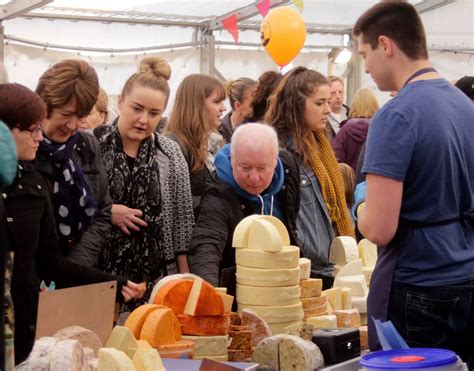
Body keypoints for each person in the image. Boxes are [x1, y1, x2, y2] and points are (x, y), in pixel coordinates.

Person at [352, 2, 474, 365]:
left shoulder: (396, 114)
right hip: (466, 276)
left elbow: (379, 229)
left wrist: (361, 208)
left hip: (418, 286)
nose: (366, 67)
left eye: (365, 54)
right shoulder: (466, 107)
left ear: (386, 45)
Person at [0, 83, 144, 365]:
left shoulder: (34, 184)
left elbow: (51, 263)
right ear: (5, 130)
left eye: (40, 128)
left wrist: (111, 281)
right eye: (31, 130)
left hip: (23, 327)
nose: (39, 138)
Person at [94, 57, 194, 311]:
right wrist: (108, 212)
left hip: (156, 279)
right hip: (98, 276)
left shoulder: (170, 152)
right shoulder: (92, 145)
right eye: (136, 109)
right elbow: (73, 208)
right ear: (120, 102)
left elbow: (182, 222)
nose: (143, 120)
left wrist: (185, 282)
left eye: (154, 113)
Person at [265, 66, 355, 290]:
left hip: (330, 264)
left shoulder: (318, 144)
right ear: (296, 105)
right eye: (319, 103)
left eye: (327, 102)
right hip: (305, 269)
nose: (327, 109)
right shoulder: (279, 150)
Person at [187, 123, 300, 295]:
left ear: (275, 161)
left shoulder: (289, 169)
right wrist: (211, 296)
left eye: (262, 168)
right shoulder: (219, 192)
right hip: (239, 291)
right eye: (245, 168)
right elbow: (206, 244)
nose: (254, 178)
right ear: (232, 160)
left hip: (282, 286)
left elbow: (293, 222)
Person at [34, 59, 112, 268]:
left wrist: (73, 268)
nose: (73, 125)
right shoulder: (24, 149)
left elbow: (102, 215)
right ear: (44, 105)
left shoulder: (88, 146)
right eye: (66, 114)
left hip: (79, 274)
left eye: (81, 116)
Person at [165, 74, 226, 218]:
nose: (223, 108)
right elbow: (175, 201)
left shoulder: (215, 141)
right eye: (217, 102)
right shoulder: (174, 145)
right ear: (196, 105)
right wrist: (222, 205)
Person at [332, 88, 379, 171]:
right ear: (375, 105)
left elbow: (335, 160)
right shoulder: (380, 128)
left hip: (351, 181)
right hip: (374, 180)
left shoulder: (345, 130)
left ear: (354, 105)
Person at [219, 77, 257, 143]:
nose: (259, 106)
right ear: (238, 106)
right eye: (254, 103)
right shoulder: (218, 134)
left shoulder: (261, 129)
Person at [324, 76, 349, 144]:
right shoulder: (322, 118)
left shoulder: (351, 114)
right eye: (333, 93)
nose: (338, 96)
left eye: (340, 92)